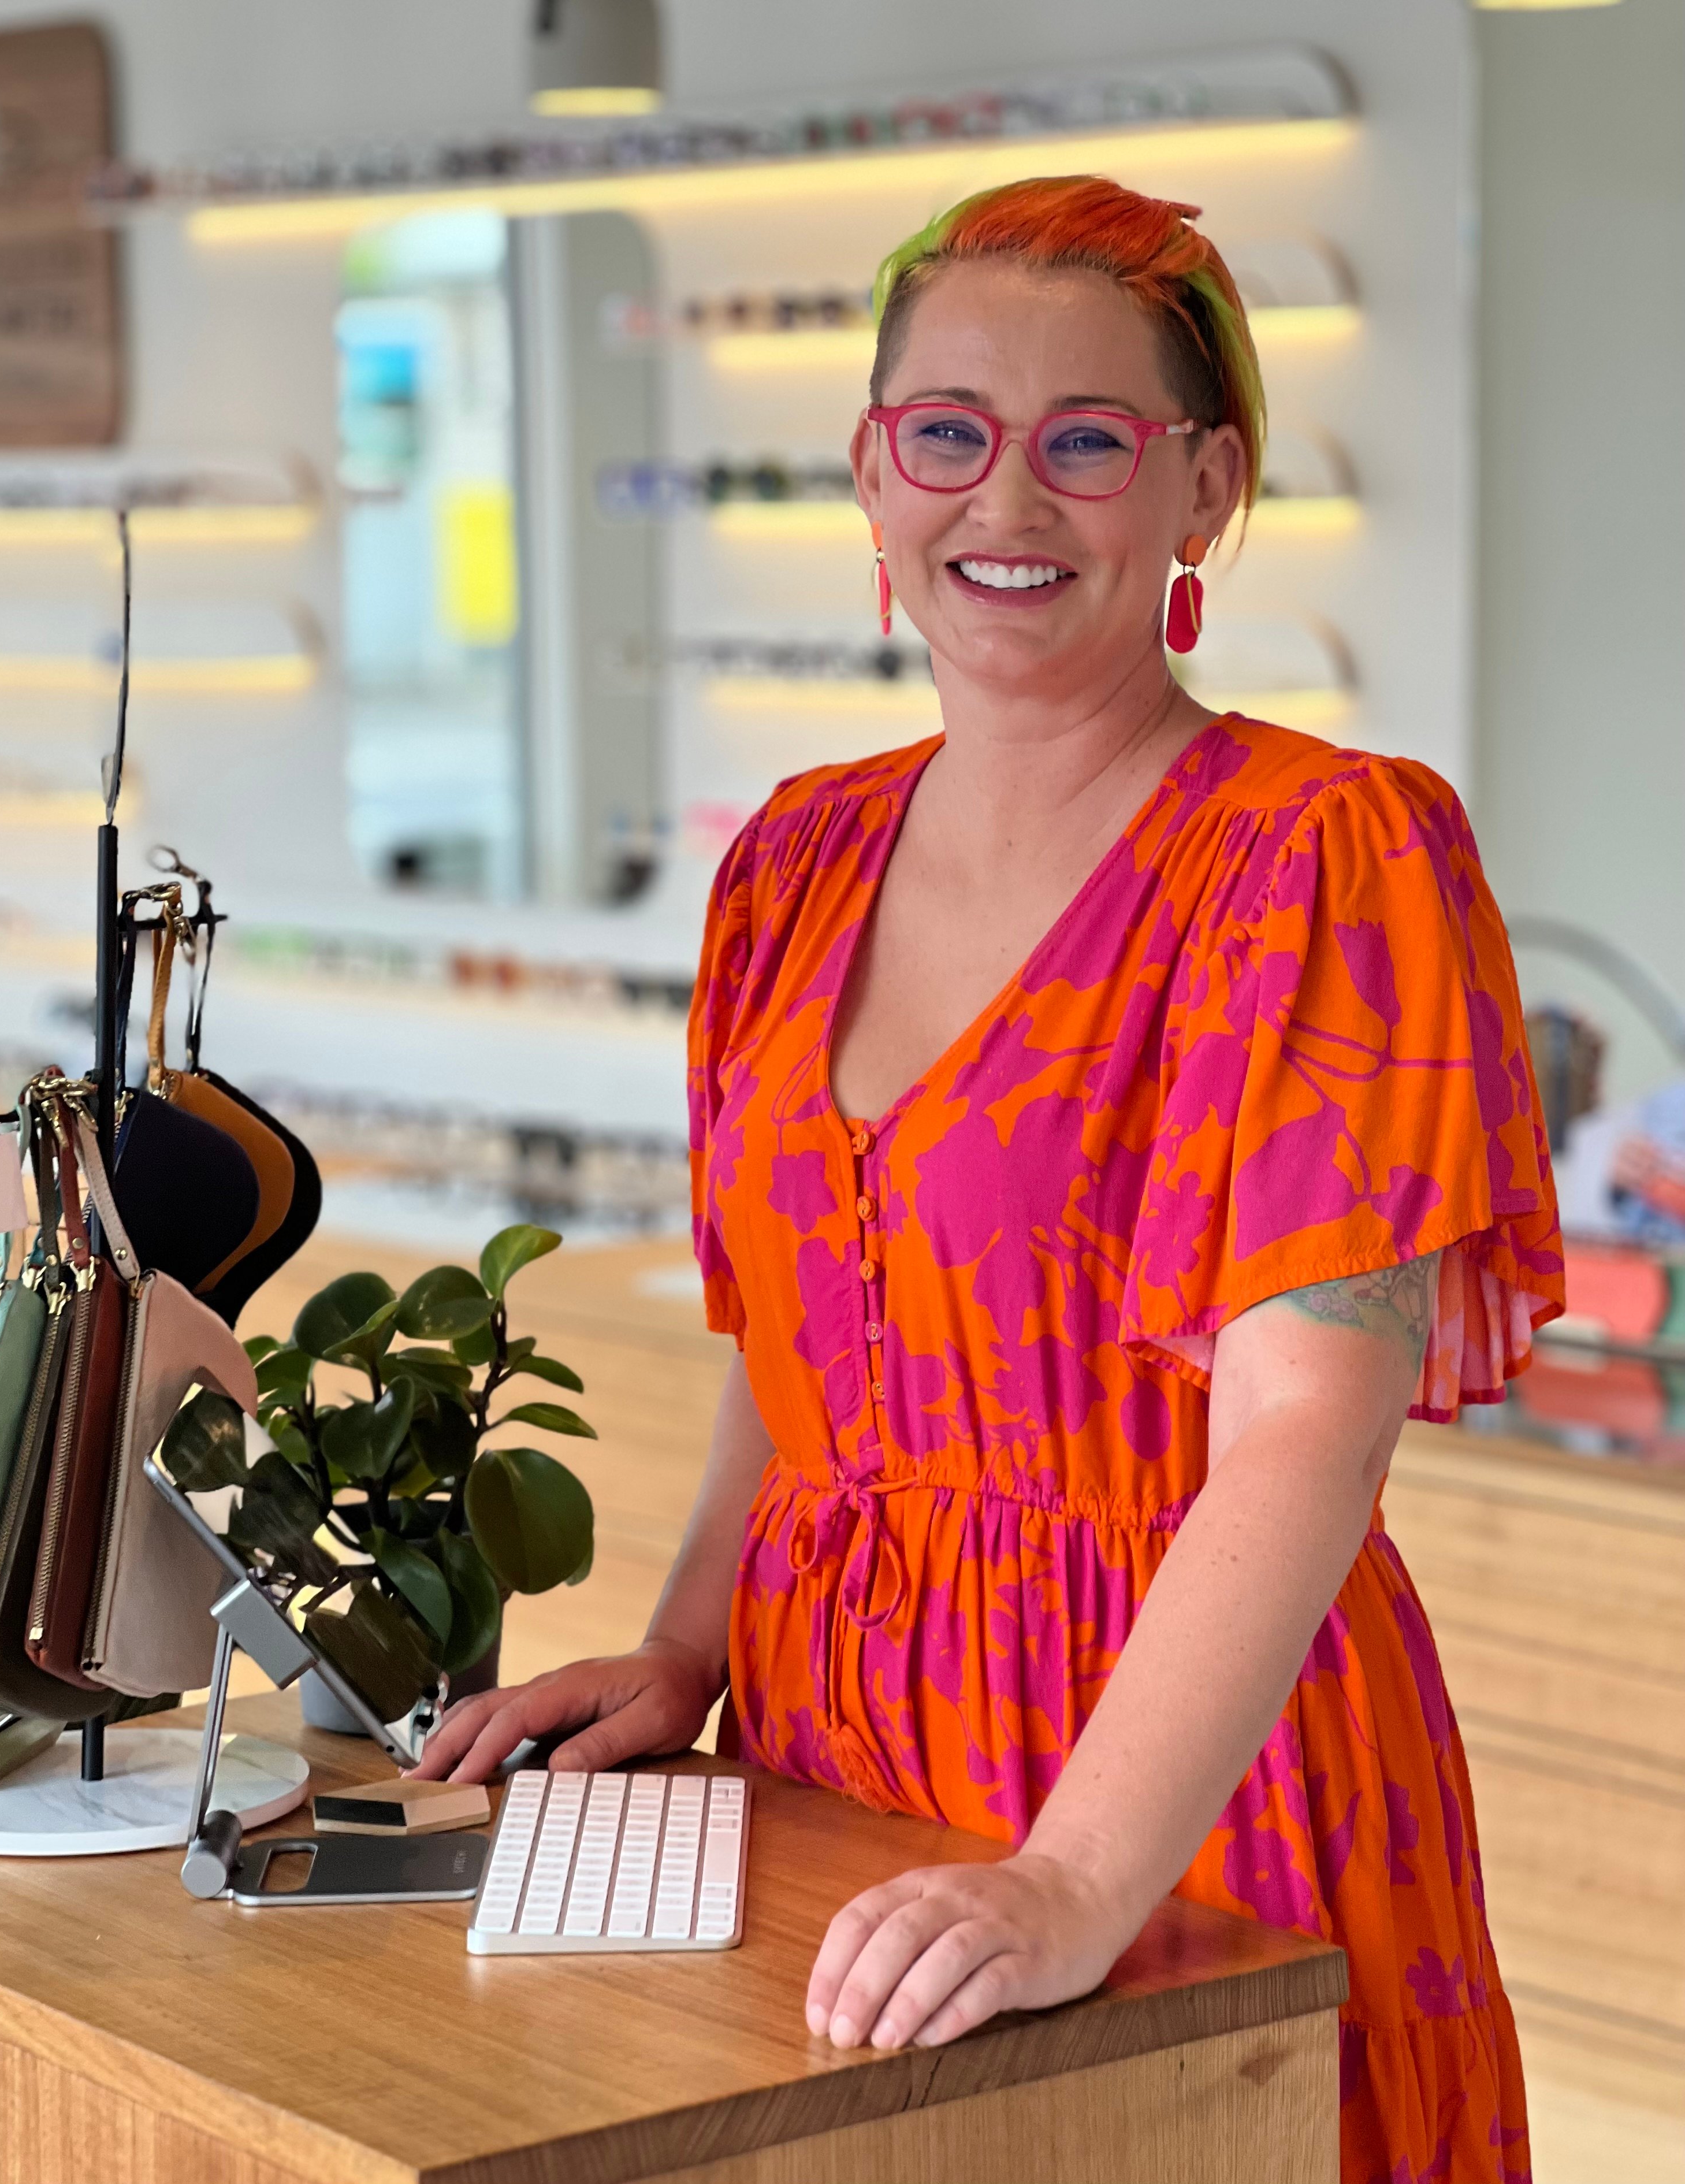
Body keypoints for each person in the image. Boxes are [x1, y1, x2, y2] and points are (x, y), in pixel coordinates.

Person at [412, 176, 1563, 2184]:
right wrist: (687, 1646)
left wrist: (1072, 1877)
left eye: (1087, 443)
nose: (1006, 503)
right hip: (822, 1763)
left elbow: (1304, 1435)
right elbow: (802, 1341)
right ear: (873, 471)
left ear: (1204, 489)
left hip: (1180, 1791)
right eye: (949, 433)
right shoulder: (792, 861)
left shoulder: (1323, 858)